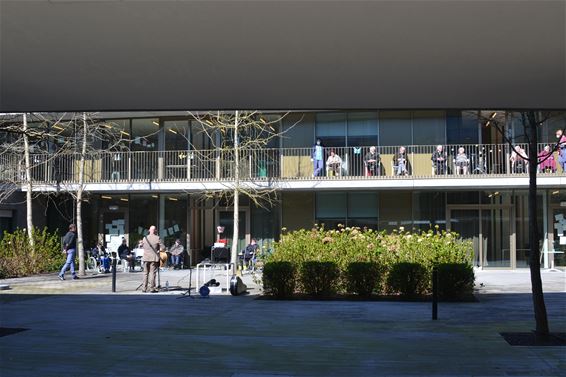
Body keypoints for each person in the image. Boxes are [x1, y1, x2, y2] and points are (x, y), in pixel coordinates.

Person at [141, 225, 162, 293]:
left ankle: (144, 288)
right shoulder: (157, 238)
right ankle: (152, 288)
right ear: (155, 231)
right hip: (153, 258)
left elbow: (143, 246)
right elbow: (163, 247)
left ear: (149, 230)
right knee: (152, 273)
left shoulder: (145, 238)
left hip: (146, 257)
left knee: (145, 273)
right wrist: (158, 250)